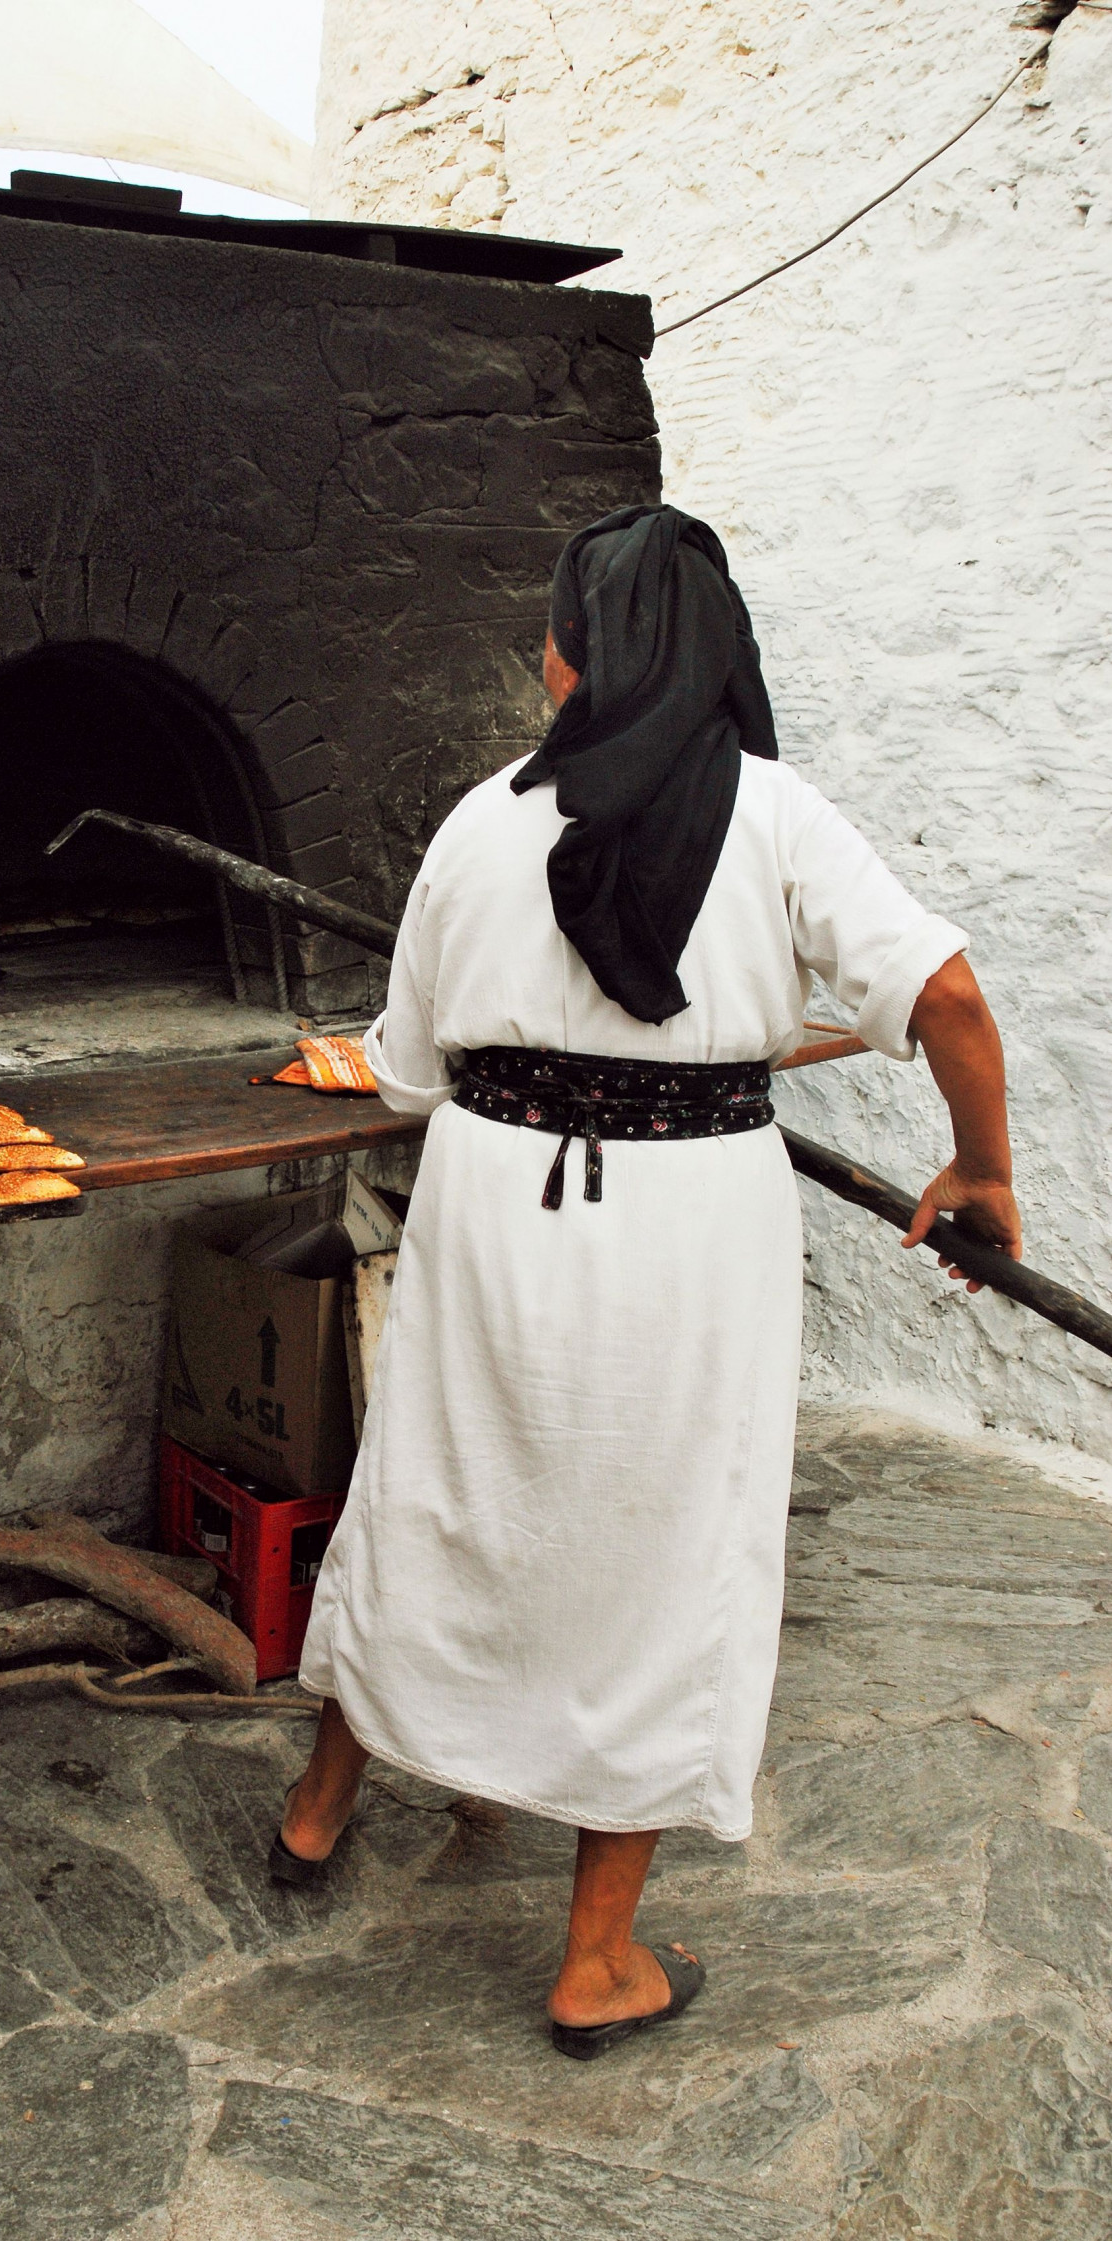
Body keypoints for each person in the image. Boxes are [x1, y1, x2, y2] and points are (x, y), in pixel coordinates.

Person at [274, 505, 1021, 2060]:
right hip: (686, 1221)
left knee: (434, 1490)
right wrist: (983, 1171)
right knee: (664, 1538)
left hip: (490, 1195)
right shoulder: (778, 817)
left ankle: (317, 1812)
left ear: (573, 655)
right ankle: (596, 1958)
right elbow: (942, 990)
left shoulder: (482, 821)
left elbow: (411, 1066)